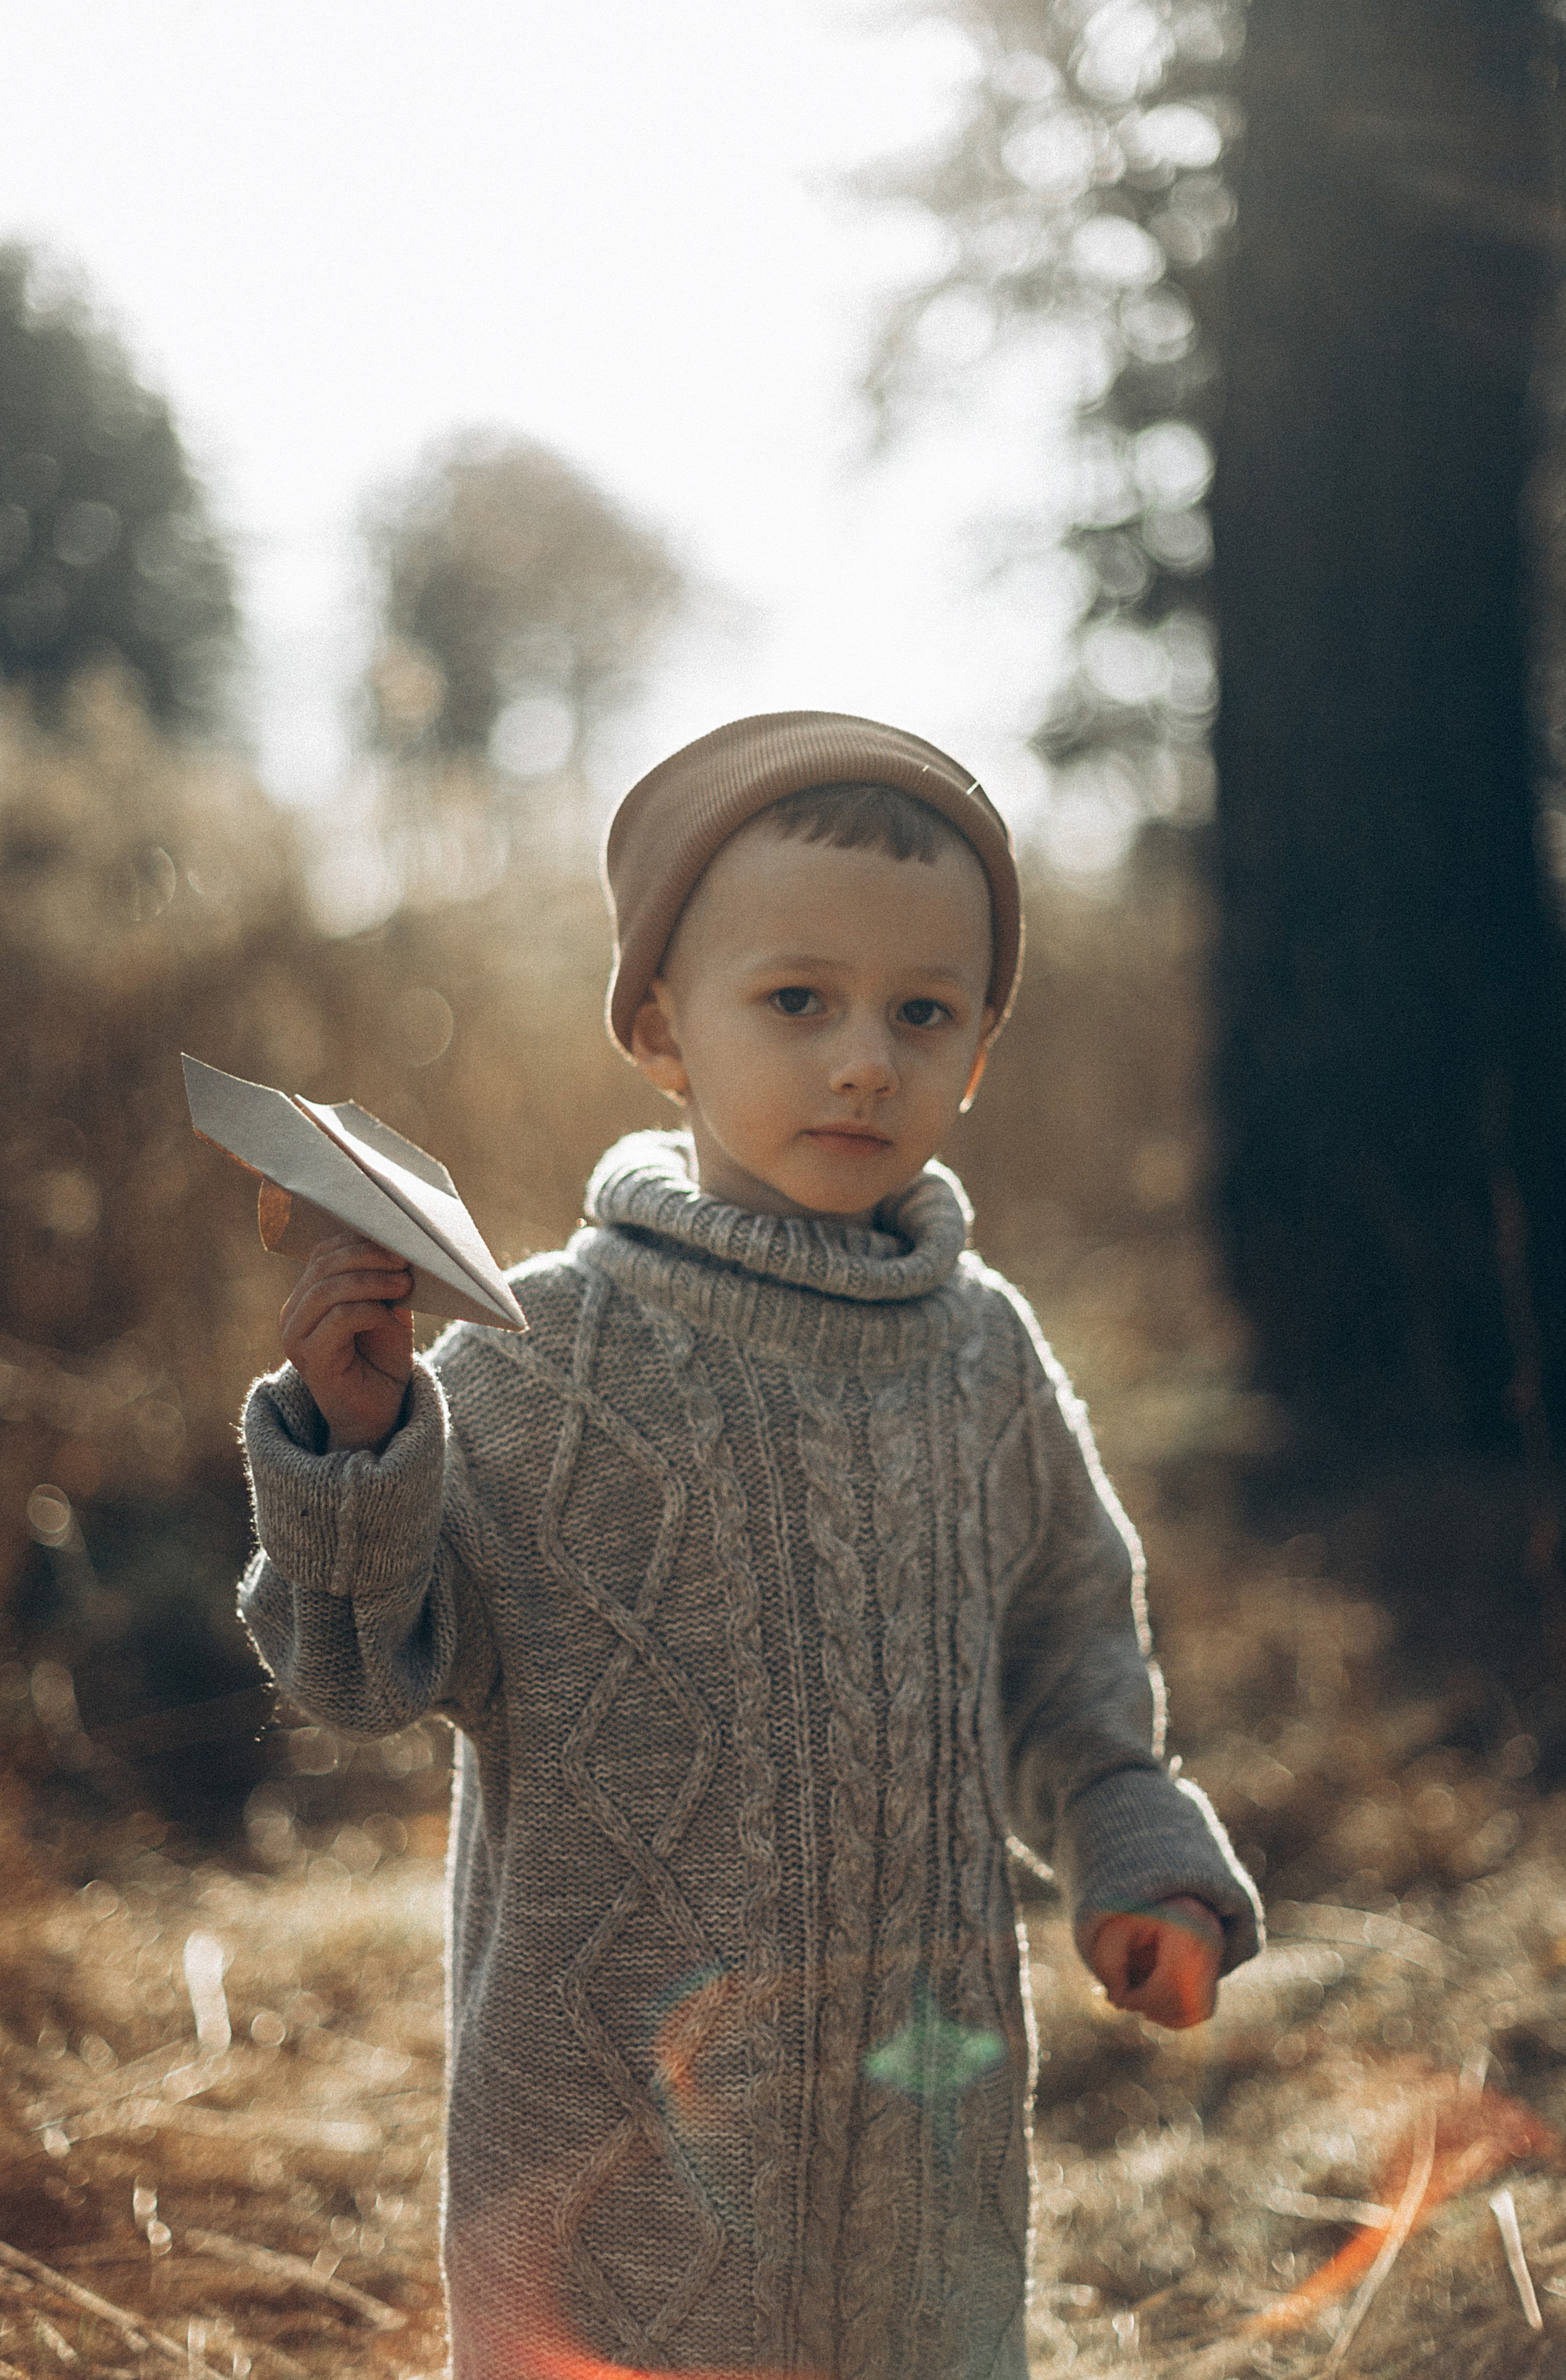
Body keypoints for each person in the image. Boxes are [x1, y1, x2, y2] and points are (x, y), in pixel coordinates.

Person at [237, 711, 1262, 2380]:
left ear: (981, 1050)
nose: (864, 1057)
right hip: (606, 2206)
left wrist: (1137, 1861)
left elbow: (1069, 1671)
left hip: (919, 2200)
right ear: (659, 1025)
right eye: (799, 1001)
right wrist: (357, 1446)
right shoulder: (537, 1357)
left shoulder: (984, 1356)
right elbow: (355, 1674)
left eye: (922, 1014)